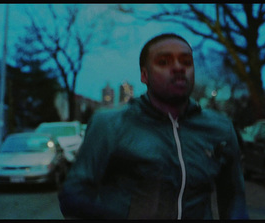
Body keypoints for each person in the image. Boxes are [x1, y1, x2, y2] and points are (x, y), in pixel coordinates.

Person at [58, 33, 249, 219]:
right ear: (144, 75)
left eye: (186, 62)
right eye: (164, 62)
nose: (178, 68)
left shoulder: (219, 128)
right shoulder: (109, 125)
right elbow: (74, 195)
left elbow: (234, 197)